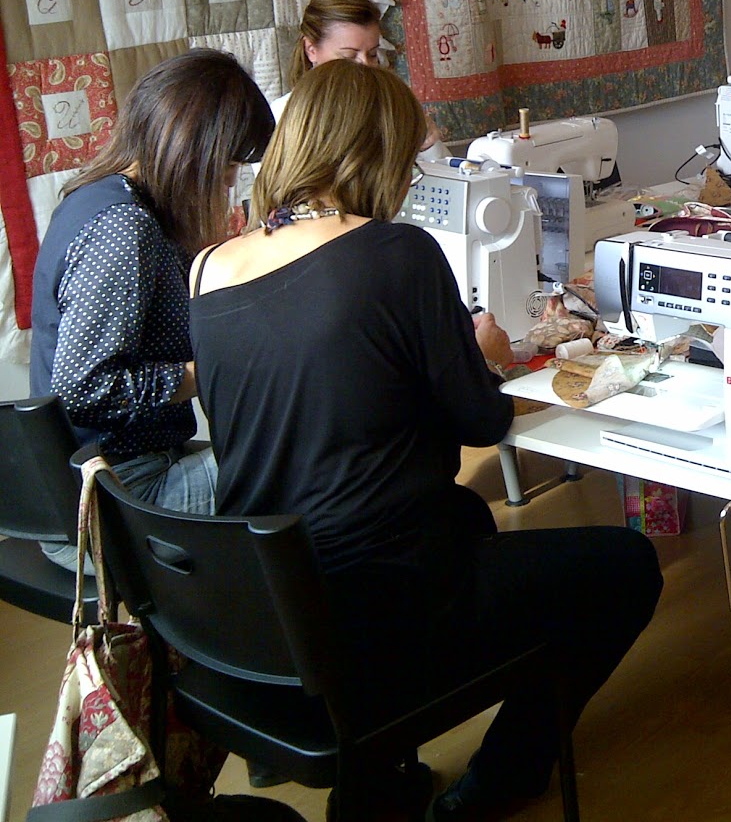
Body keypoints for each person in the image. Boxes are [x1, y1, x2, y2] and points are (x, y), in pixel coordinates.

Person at [188, 59, 662, 820]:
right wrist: (485, 357)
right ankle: (501, 778)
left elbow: (311, 400)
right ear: (375, 153)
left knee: (465, 525)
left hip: (267, 608)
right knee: (627, 566)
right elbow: (483, 422)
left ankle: (378, 784)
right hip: (384, 605)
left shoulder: (210, 267)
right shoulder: (395, 252)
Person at [30, 50, 274, 527]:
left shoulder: (97, 197)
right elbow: (83, 388)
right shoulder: (123, 227)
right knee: (318, 453)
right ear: (193, 150)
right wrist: (212, 371)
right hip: (120, 493)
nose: (231, 180)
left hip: (118, 476)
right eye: (230, 162)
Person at [278, 0, 448, 158]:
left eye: (373, 54)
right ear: (311, 50)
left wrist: (428, 143)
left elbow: (447, 170)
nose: (365, 66)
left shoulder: (392, 107)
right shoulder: (283, 115)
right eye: (349, 56)